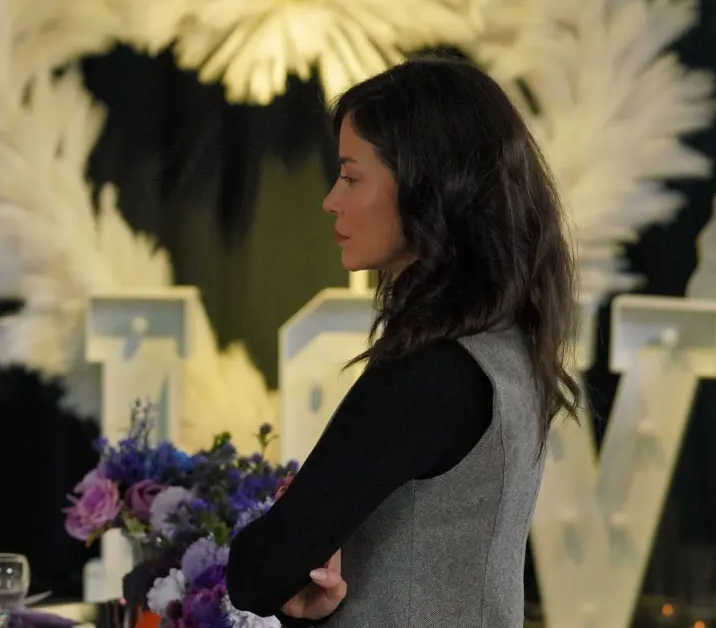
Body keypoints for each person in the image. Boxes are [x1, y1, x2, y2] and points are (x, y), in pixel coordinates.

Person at [226, 57, 582, 627]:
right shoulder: (509, 348)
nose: (331, 200)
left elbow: (258, 573)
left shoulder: (428, 375)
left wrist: (286, 549)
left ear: (427, 186)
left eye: (351, 176)